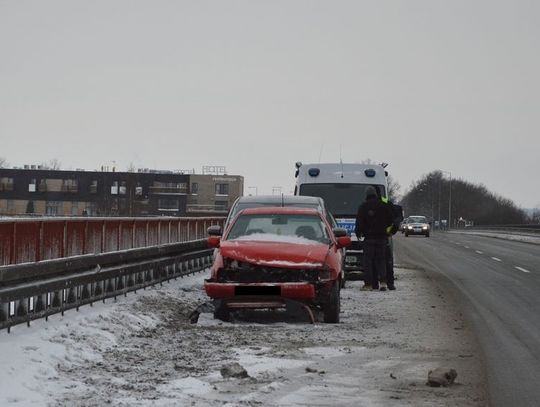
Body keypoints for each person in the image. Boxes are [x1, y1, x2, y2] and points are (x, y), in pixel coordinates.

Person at [355, 187, 394, 291]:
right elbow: (390, 219)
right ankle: (383, 282)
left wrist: (359, 233)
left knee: (368, 261)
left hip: (369, 238)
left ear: (366, 195)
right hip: (382, 237)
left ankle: (368, 284)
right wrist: (384, 228)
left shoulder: (363, 206)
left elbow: (359, 222)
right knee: (381, 260)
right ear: (375, 194)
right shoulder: (383, 205)